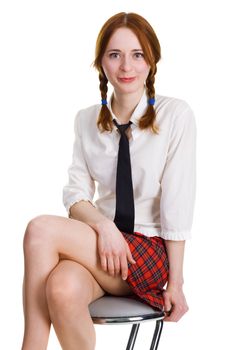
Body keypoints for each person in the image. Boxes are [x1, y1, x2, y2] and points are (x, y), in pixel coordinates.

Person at [21, 12, 196, 350]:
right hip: (104, 250)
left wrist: (176, 283)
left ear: (152, 61)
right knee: (60, 287)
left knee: (40, 230)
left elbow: (178, 203)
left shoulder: (176, 116)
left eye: (137, 55)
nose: (126, 67)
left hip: (149, 252)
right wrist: (104, 226)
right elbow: (75, 195)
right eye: (115, 55)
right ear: (101, 63)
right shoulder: (86, 120)